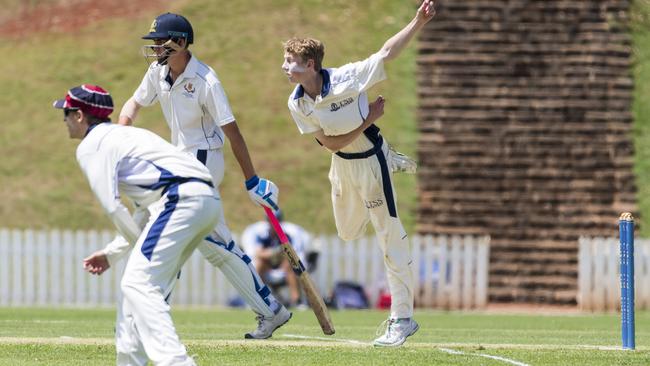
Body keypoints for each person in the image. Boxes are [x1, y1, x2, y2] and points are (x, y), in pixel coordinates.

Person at [116, 12, 290, 339]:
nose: (155, 49)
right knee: (214, 244)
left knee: (165, 221)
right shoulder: (157, 72)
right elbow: (133, 104)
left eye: (160, 42)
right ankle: (271, 310)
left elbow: (233, 132)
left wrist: (251, 179)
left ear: (181, 43)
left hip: (204, 159)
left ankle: (150, 308)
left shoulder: (206, 80)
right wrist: (121, 130)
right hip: (179, 159)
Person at [281, 0, 436, 347]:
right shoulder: (297, 103)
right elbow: (331, 145)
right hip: (342, 165)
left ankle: (403, 318)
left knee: (388, 236)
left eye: (291, 62)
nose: (284, 67)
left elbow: (384, 54)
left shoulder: (347, 77)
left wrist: (417, 22)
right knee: (348, 233)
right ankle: (384, 175)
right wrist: (368, 119)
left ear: (310, 64)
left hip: (371, 160)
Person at [53, 84, 231, 365]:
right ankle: (129, 361)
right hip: (204, 199)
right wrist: (114, 253)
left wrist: (137, 246)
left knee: (138, 282)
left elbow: (113, 207)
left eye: (65, 113)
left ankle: (177, 362)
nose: (63, 120)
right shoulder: (128, 136)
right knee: (135, 285)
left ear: (79, 115)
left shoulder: (92, 145)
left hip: (180, 199)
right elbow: (145, 210)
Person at [241, 210, 312, 307]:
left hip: (282, 264)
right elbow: (258, 253)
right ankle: (257, 299)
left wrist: (278, 254)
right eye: (271, 221)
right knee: (259, 264)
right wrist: (273, 252)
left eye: (276, 221)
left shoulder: (286, 236)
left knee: (289, 265)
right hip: (268, 264)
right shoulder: (263, 236)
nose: (274, 224)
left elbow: (291, 253)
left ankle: (296, 300)